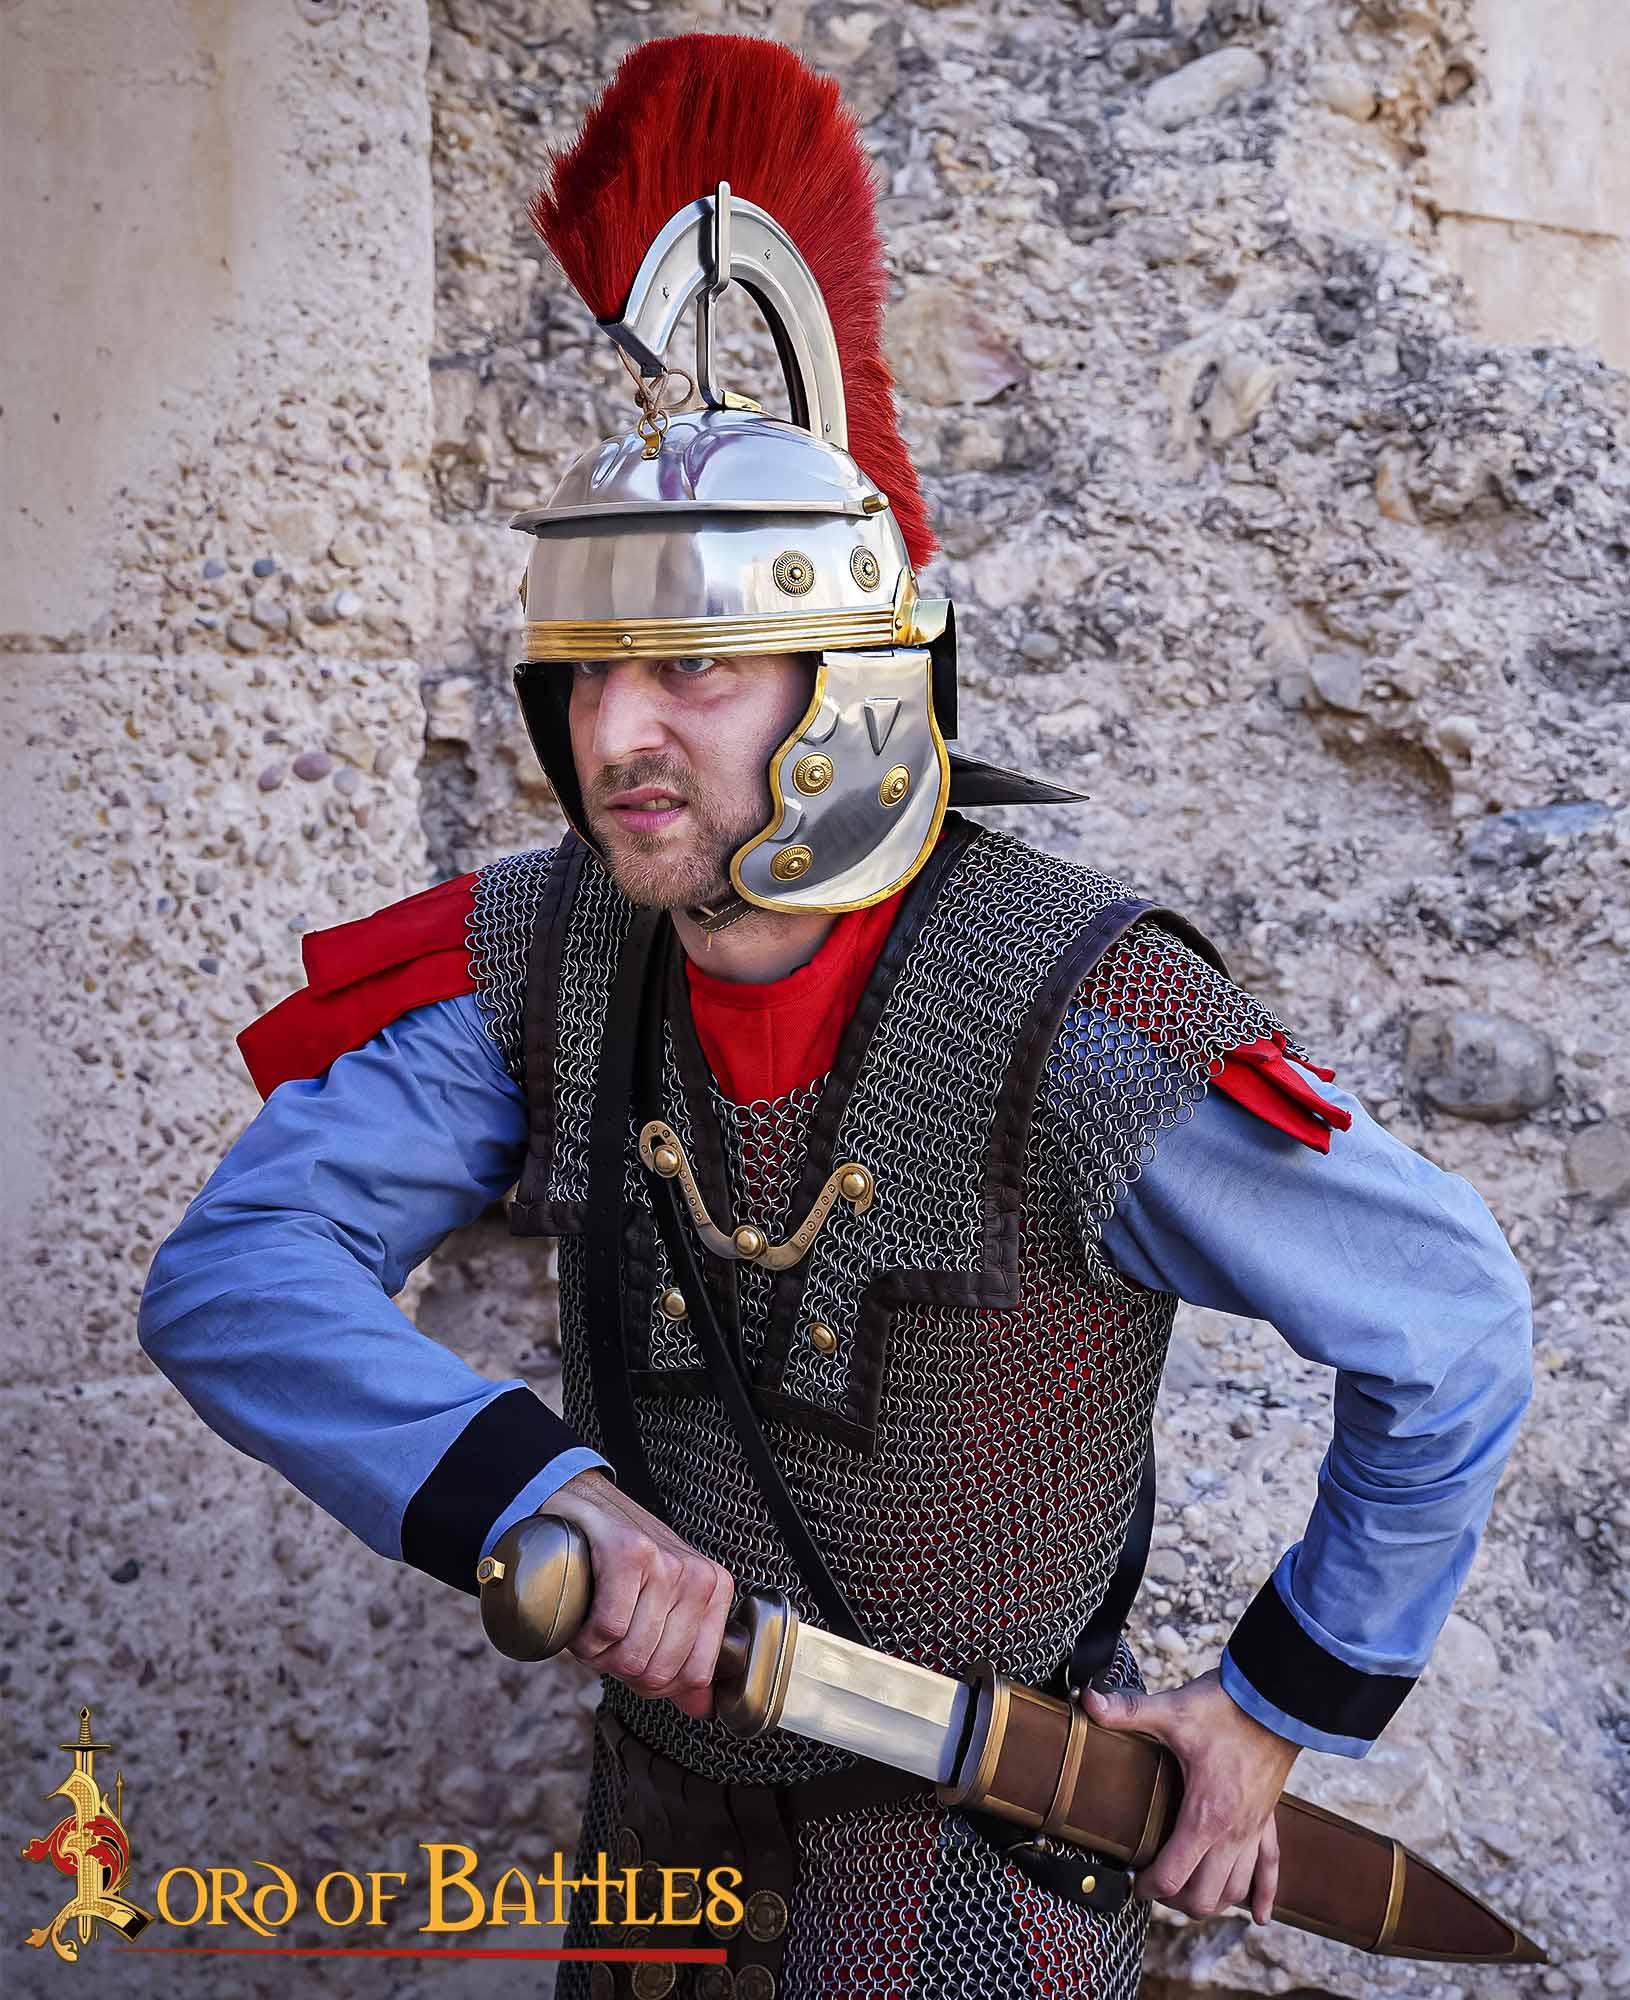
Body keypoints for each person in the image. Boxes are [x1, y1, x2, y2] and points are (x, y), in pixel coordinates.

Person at [138, 33, 1534, 2000]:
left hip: (973, 1857)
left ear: (853, 698)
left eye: (694, 673)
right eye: (593, 673)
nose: (619, 733)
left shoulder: (1075, 1006)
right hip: (663, 1832)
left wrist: (1277, 1703)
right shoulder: (545, 952)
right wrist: (532, 1495)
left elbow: (1452, 1320)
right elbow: (239, 1267)